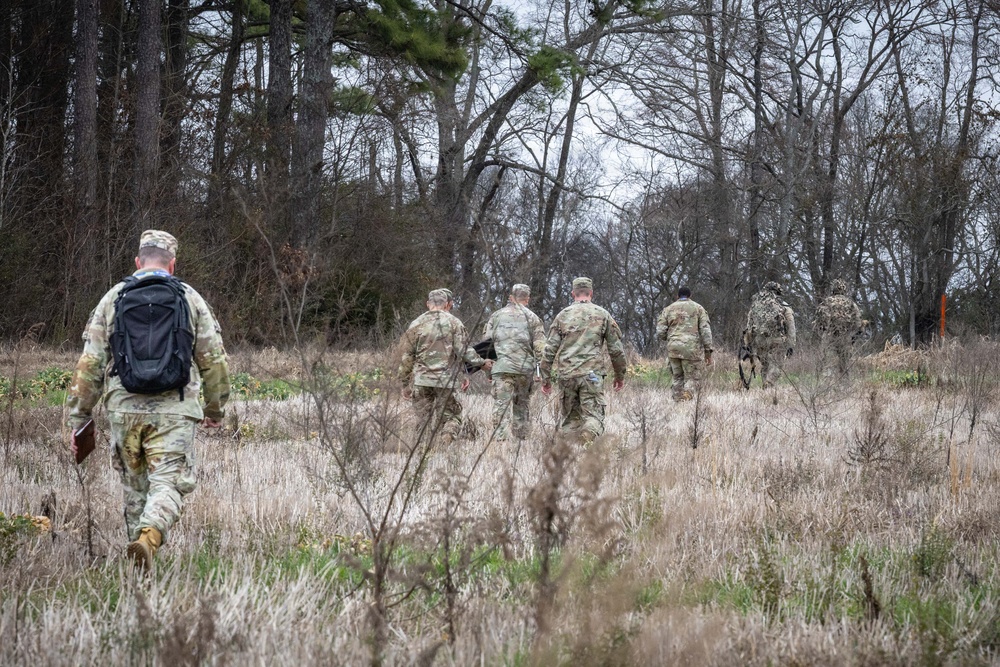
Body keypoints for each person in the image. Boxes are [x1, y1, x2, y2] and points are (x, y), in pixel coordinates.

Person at [66, 230, 230, 571]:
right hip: (174, 408)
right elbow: (214, 359)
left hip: (124, 409)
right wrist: (215, 408)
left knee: (135, 490)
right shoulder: (189, 297)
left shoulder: (113, 297)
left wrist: (79, 419)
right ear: (172, 264)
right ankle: (149, 536)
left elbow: (90, 363)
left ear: (139, 261)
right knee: (169, 482)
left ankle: (138, 569)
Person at [398, 288, 492, 446]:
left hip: (421, 380)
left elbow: (407, 356)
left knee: (423, 418)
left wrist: (404, 383)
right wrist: (482, 363)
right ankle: (444, 442)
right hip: (446, 381)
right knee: (452, 417)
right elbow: (464, 351)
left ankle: (422, 449)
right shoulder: (454, 323)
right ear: (448, 304)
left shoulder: (416, 323)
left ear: (428, 304)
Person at [539, 277, 627, 444]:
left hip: (567, 375)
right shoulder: (603, 315)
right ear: (591, 293)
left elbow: (549, 350)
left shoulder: (562, 316)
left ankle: (569, 453)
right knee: (594, 416)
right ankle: (588, 434)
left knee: (571, 419)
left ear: (573, 294)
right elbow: (616, 350)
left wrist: (545, 379)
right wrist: (619, 376)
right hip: (592, 375)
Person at [483, 284, 545, 441]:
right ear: (528, 299)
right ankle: (520, 440)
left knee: (501, 406)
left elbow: (486, 345)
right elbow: (540, 348)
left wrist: (488, 371)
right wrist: (540, 372)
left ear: (511, 297)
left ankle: (500, 441)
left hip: (501, 368)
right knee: (521, 406)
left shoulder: (496, 316)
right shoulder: (533, 318)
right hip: (525, 369)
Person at [656, 286, 713, 401]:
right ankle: (686, 401)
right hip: (691, 348)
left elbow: (660, 331)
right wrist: (708, 351)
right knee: (692, 378)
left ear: (677, 296)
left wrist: (672, 338)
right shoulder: (698, 308)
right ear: (690, 296)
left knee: (677, 377)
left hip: (673, 348)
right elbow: (705, 331)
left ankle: (677, 402)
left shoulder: (668, 309)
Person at [744, 281, 796, 388]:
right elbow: (791, 328)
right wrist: (790, 345)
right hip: (777, 340)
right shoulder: (784, 306)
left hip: (759, 341)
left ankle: (766, 389)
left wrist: (748, 344)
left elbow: (749, 327)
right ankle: (769, 383)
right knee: (776, 365)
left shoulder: (755, 306)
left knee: (765, 365)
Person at [815, 278, 863, 375]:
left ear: (833, 289)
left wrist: (822, 331)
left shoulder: (827, 302)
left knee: (827, 362)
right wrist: (853, 338)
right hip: (845, 337)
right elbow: (858, 323)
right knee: (844, 364)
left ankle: (826, 385)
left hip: (829, 336)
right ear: (845, 289)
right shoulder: (851, 304)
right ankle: (844, 385)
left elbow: (820, 319)